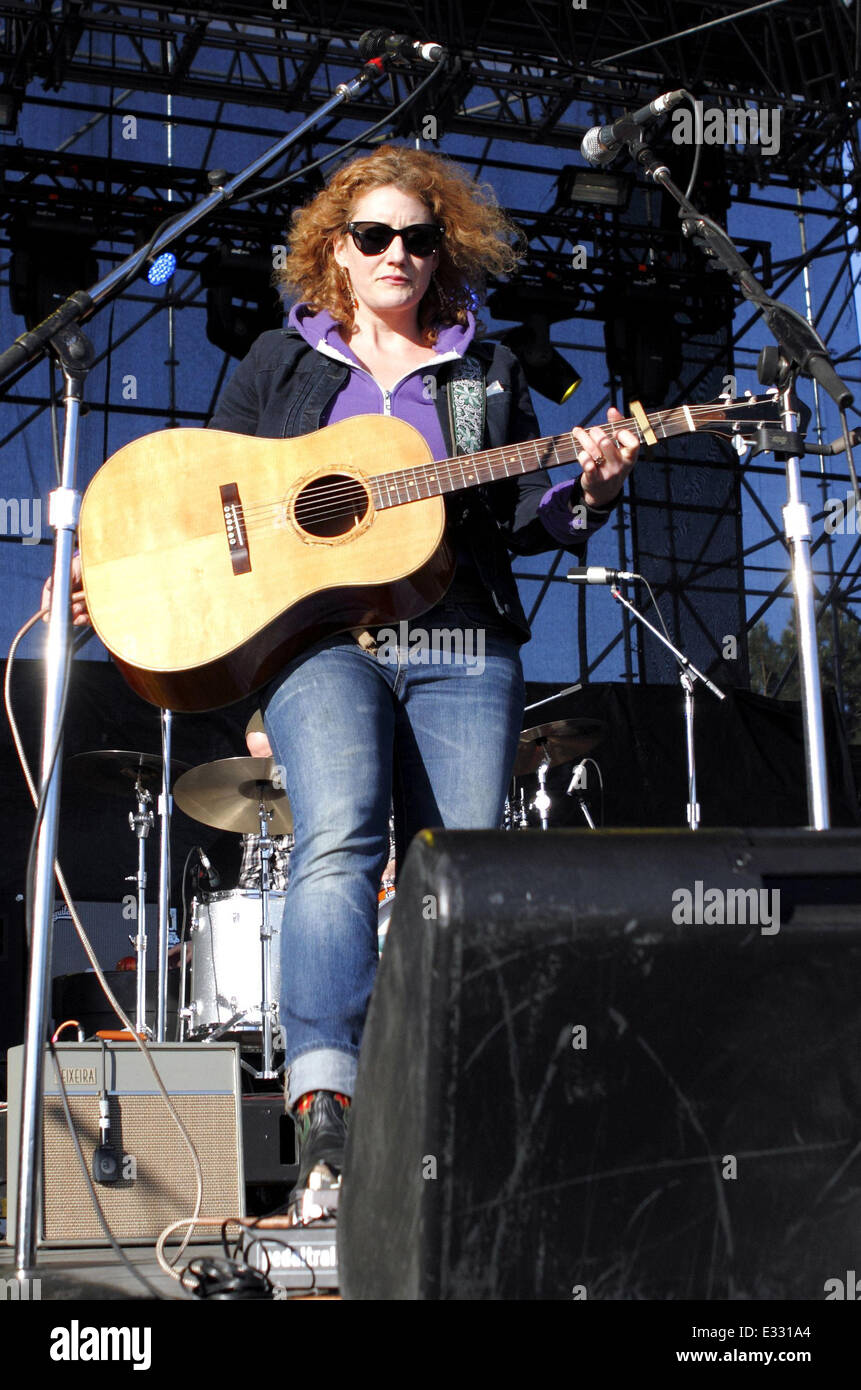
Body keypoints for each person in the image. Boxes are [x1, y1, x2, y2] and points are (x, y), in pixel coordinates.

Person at [47, 144, 639, 1221]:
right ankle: (328, 1099)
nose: (398, 254)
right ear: (336, 249)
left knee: (456, 869)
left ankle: (442, 1102)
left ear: (441, 249)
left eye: (419, 237)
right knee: (338, 835)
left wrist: (585, 492)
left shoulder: (485, 375)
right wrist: (127, 571)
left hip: (464, 648)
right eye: (374, 235)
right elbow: (195, 487)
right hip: (321, 649)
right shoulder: (285, 361)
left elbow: (518, 522)